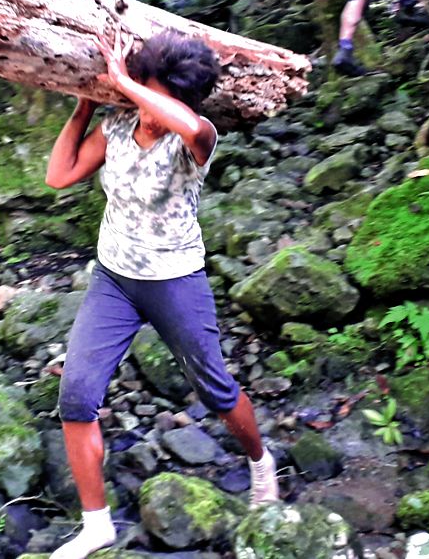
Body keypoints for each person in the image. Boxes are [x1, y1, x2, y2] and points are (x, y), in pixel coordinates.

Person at [44, 31, 279, 559]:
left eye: (153, 95)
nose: (143, 108)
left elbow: (187, 122)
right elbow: (58, 176)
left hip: (175, 279)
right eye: (138, 95)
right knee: (76, 398)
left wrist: (126, 80)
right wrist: (84, 105)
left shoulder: (198, 137)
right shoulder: (120, 125)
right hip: (114, 278)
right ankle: (96, 525)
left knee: (216, 389)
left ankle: (260, 462)